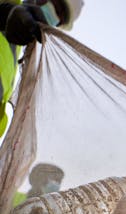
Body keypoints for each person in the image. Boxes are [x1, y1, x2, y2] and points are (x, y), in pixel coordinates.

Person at [0, 0, 83, 138]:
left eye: (59, 19)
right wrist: (4, 13)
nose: (54, 16)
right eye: (56, 5)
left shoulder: (18, 50)